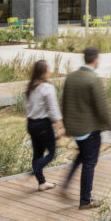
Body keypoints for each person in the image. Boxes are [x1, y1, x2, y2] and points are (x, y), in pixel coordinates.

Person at [60, 46, 111, 210]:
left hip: (75, 129)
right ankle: (85, 200)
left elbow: (64, 102)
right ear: (96, 60)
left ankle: (66, 184)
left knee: (82, 156)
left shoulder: (71, 77)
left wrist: (66, 125)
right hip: (89, 129)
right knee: (89, 163)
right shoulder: (93, 79)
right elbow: (102, 107)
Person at [25, 60, 64, 192]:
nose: (50, 71)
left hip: (31, 124)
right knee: (52, 153)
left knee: (38, 153)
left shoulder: (30, 87)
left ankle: (42, 182)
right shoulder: (47, 88)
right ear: (44, 72)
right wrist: (60, 127)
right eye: (48, 68)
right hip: (43, 125)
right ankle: (35, 169)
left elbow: (29, 107)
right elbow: (53, 110)